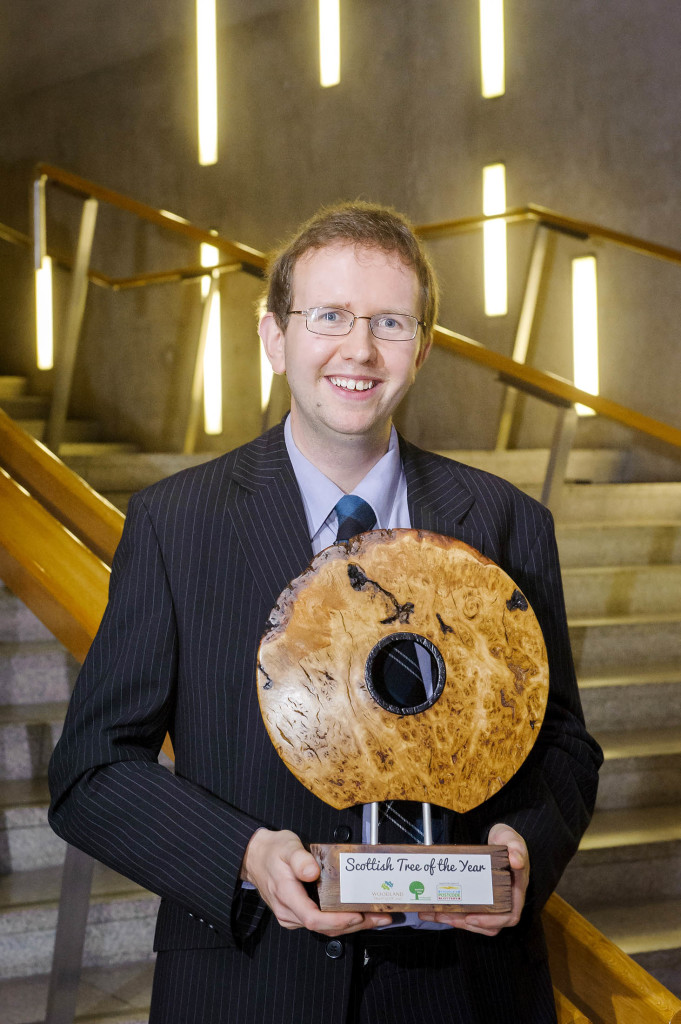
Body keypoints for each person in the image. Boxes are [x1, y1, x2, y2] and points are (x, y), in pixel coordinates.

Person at [49, 201, 602, 1024]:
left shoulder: (507, 521)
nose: (360, 349)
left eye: (389, 321)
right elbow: (92, 771)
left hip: (465, 989)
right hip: (250, 981)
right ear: (275, 339)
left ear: (420, 350)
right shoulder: (176, 524)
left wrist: (523, 845)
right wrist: (245, 857)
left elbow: (560, 741)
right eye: (330, 316)